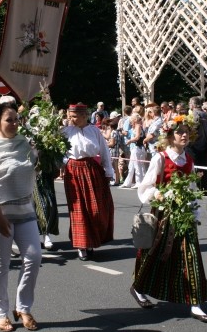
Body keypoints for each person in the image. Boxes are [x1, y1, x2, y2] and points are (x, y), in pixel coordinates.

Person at [130, 114, 207, 322]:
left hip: (184, 213)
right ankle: (138, 287)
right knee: (154, 254)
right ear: (170, 136)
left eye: (186, 132)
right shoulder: (161, 158)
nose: (184, 135)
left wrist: (195, 210)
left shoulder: (189, 160)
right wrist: (159, 194)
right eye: (179, 132)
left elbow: (193, 187)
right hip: (164, 215)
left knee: (191, 254)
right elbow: (146, 186)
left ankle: (195, 303)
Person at [0, 101, 42, 332]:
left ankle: (23, 307)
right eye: (9, 120)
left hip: (24, 210)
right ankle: (0, 313)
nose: (15, 123)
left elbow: (34, 167)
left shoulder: (25, 144)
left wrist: (44, 154)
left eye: (17, 119)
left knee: (34, 258)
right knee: (1, 265)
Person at [62, 103, 115, 261]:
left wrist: (109, 171)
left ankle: (92, 240)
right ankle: (82, 245)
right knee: (78, 209)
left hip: (92, 170)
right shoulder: (65, 132)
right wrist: (66, 162)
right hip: (73, 171)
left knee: (96, 208)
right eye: (70, 116)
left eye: (75, 116)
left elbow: (104, 151)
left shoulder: (94, 131)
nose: (72, 119)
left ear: (85, 116)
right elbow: (58, 152)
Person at [120, 113, 146, 188]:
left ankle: (139, 182)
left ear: (134, 120)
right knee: (131, 166)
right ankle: (127, 182)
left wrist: (130, 141)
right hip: (134, 148)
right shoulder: (134, 127)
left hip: (138, 148)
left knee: (138, 166)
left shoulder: (138, 126)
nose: (130, 122)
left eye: (131, 120)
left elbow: (137, 137)